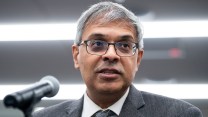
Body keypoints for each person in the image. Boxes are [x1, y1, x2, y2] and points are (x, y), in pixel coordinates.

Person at [33, 1, 203, 117]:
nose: (111, 55)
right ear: (76, 55)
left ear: (137, 59)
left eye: (124, 45)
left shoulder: (179, 114)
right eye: (97, 43)